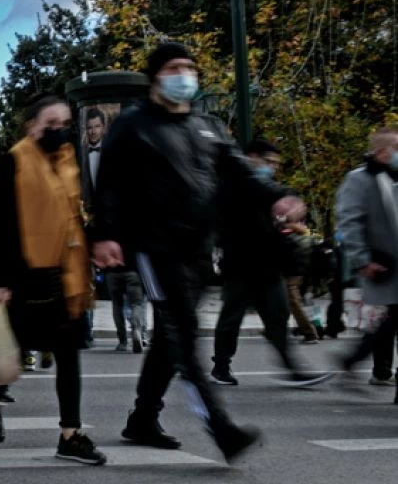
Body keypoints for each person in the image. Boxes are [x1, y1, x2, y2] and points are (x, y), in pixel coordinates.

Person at [92, 42, 306, 462]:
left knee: (172, 338)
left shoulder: (206, 126)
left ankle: (142, 419)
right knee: (182, 337)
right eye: (175, 67)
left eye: (189, 67)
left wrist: (279, 196)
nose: (184, 75)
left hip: (197, 250)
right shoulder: (133, 126)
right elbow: (109, 188)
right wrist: (105, 235)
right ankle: (221, 428)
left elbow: (241, 172)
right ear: (156, 77)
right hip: (154, 249)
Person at [0, 96, 104, 465]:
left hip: (65, 275)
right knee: (11, 352)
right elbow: (1, 223)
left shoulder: (68, 159)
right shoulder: (15, 160)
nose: (60, 129)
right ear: (31, 124)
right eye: (51, 122)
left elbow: (75, 215)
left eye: (65, 122)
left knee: (68, 355)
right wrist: (2, 279)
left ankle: (71, 434)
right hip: (25, 276)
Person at [211, 138, 332, 386]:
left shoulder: (259, 185)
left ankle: (292, 368)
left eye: (275, 164)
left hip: (267, 264)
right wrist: (287, 199)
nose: (272, 167)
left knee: (277, 316)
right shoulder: (236, 182)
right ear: (252, 157)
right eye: (268, 162)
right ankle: (221, 366)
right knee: (231, 318)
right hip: (240, 264)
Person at [336, 127, 398, 403]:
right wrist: (361, 259)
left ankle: (352, 361)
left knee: (392, 320)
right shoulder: (359, 179)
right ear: (383, 151)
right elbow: (349, 222)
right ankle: (352, 361)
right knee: (393, 319)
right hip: (384, 263)